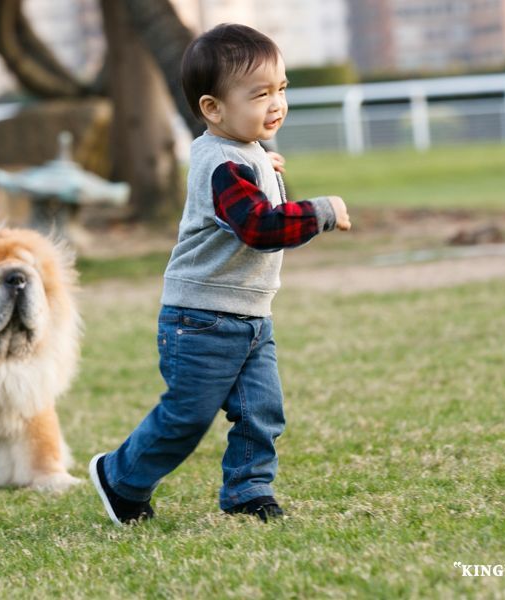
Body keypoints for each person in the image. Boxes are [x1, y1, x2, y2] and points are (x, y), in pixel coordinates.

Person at [89, 23, 351, 525]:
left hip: (250, 316)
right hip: (201, 319)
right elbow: (258, 227)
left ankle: (249, 492)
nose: (276, 103)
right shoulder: (222, 166)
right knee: (186, 417)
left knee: (261, 411)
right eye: (259, 94)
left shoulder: (243, 153)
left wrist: (265, 166)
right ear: (213, 108)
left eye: (281, 89)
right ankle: (120, 478)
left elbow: (250, 186)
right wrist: (320, 211)